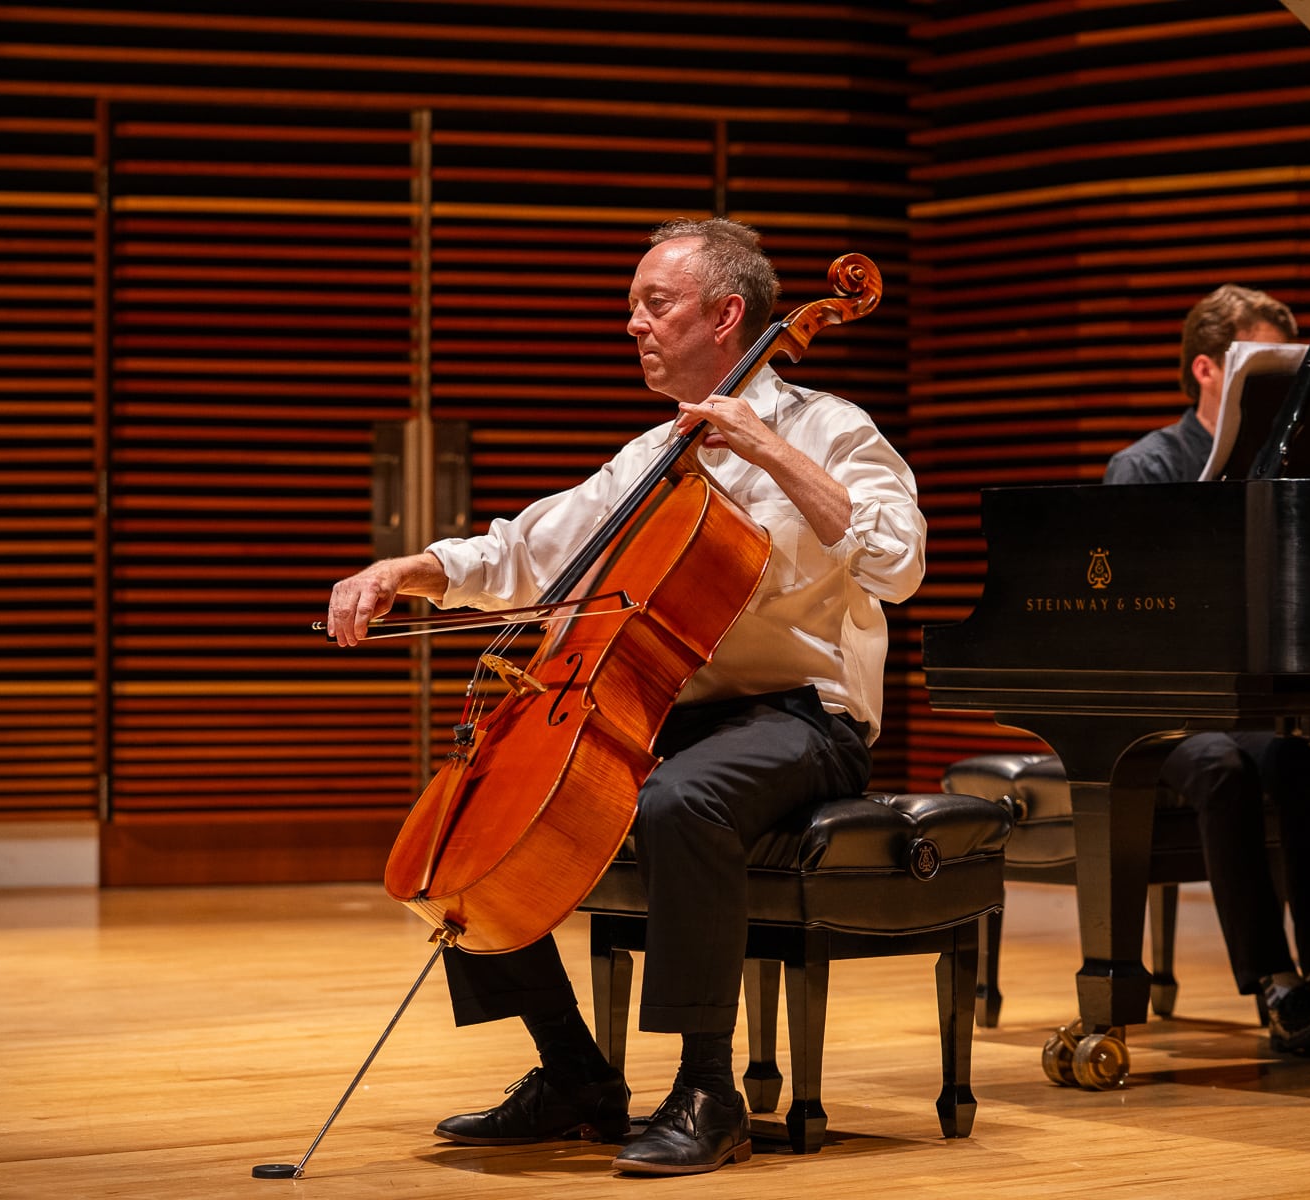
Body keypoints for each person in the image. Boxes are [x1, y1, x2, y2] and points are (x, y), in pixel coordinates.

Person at [325, 218, 925, 1175]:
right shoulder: (652, 451)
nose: (635, 325)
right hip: (669, 711)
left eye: (657, 304)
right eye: (632, 308)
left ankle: (706, 1089)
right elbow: (529, 550)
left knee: (682, 801)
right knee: (476, 818)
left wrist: (766, 448)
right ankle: (576, 1075)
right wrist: (414, 568)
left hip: (801, 718)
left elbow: (898, 564)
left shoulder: (829, 427)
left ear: (728, 315)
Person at [1106, 283, 1310, 1052]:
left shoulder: (1278, 471)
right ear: (1207, 370)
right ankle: (1272, 982)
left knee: (1302, 764)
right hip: (1157, 710)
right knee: (1220, 765)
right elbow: (1128, 620)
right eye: (1260, 363)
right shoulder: (1145, 467)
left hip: (1237, 704)